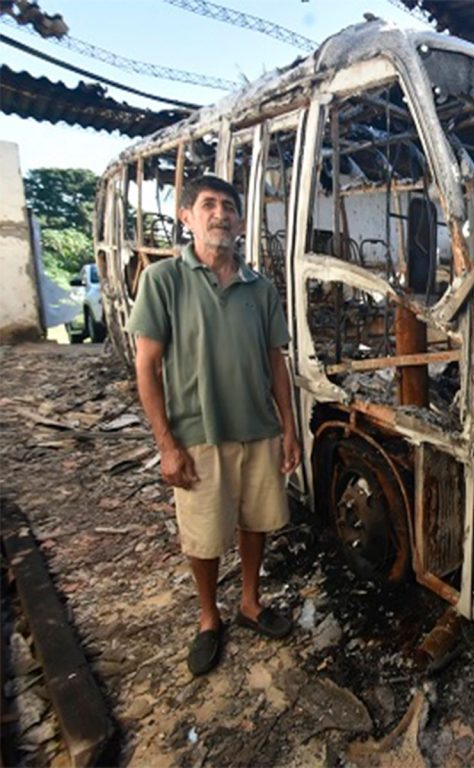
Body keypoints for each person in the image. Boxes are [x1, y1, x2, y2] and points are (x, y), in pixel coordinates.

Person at [128, 175, 301, 676]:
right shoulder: (164, 281)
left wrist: (289, 430)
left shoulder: (260, 287)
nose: (219, 213)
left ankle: (249, 602)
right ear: (187, 217)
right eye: (208, 205)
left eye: (228, 206)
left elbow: (276, 363)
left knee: (255, 521)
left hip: (258, 429)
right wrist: (166, 444)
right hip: (197, 433)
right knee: (202, 537)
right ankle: (208, 617)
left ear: (241, 222)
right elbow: (147, 366)